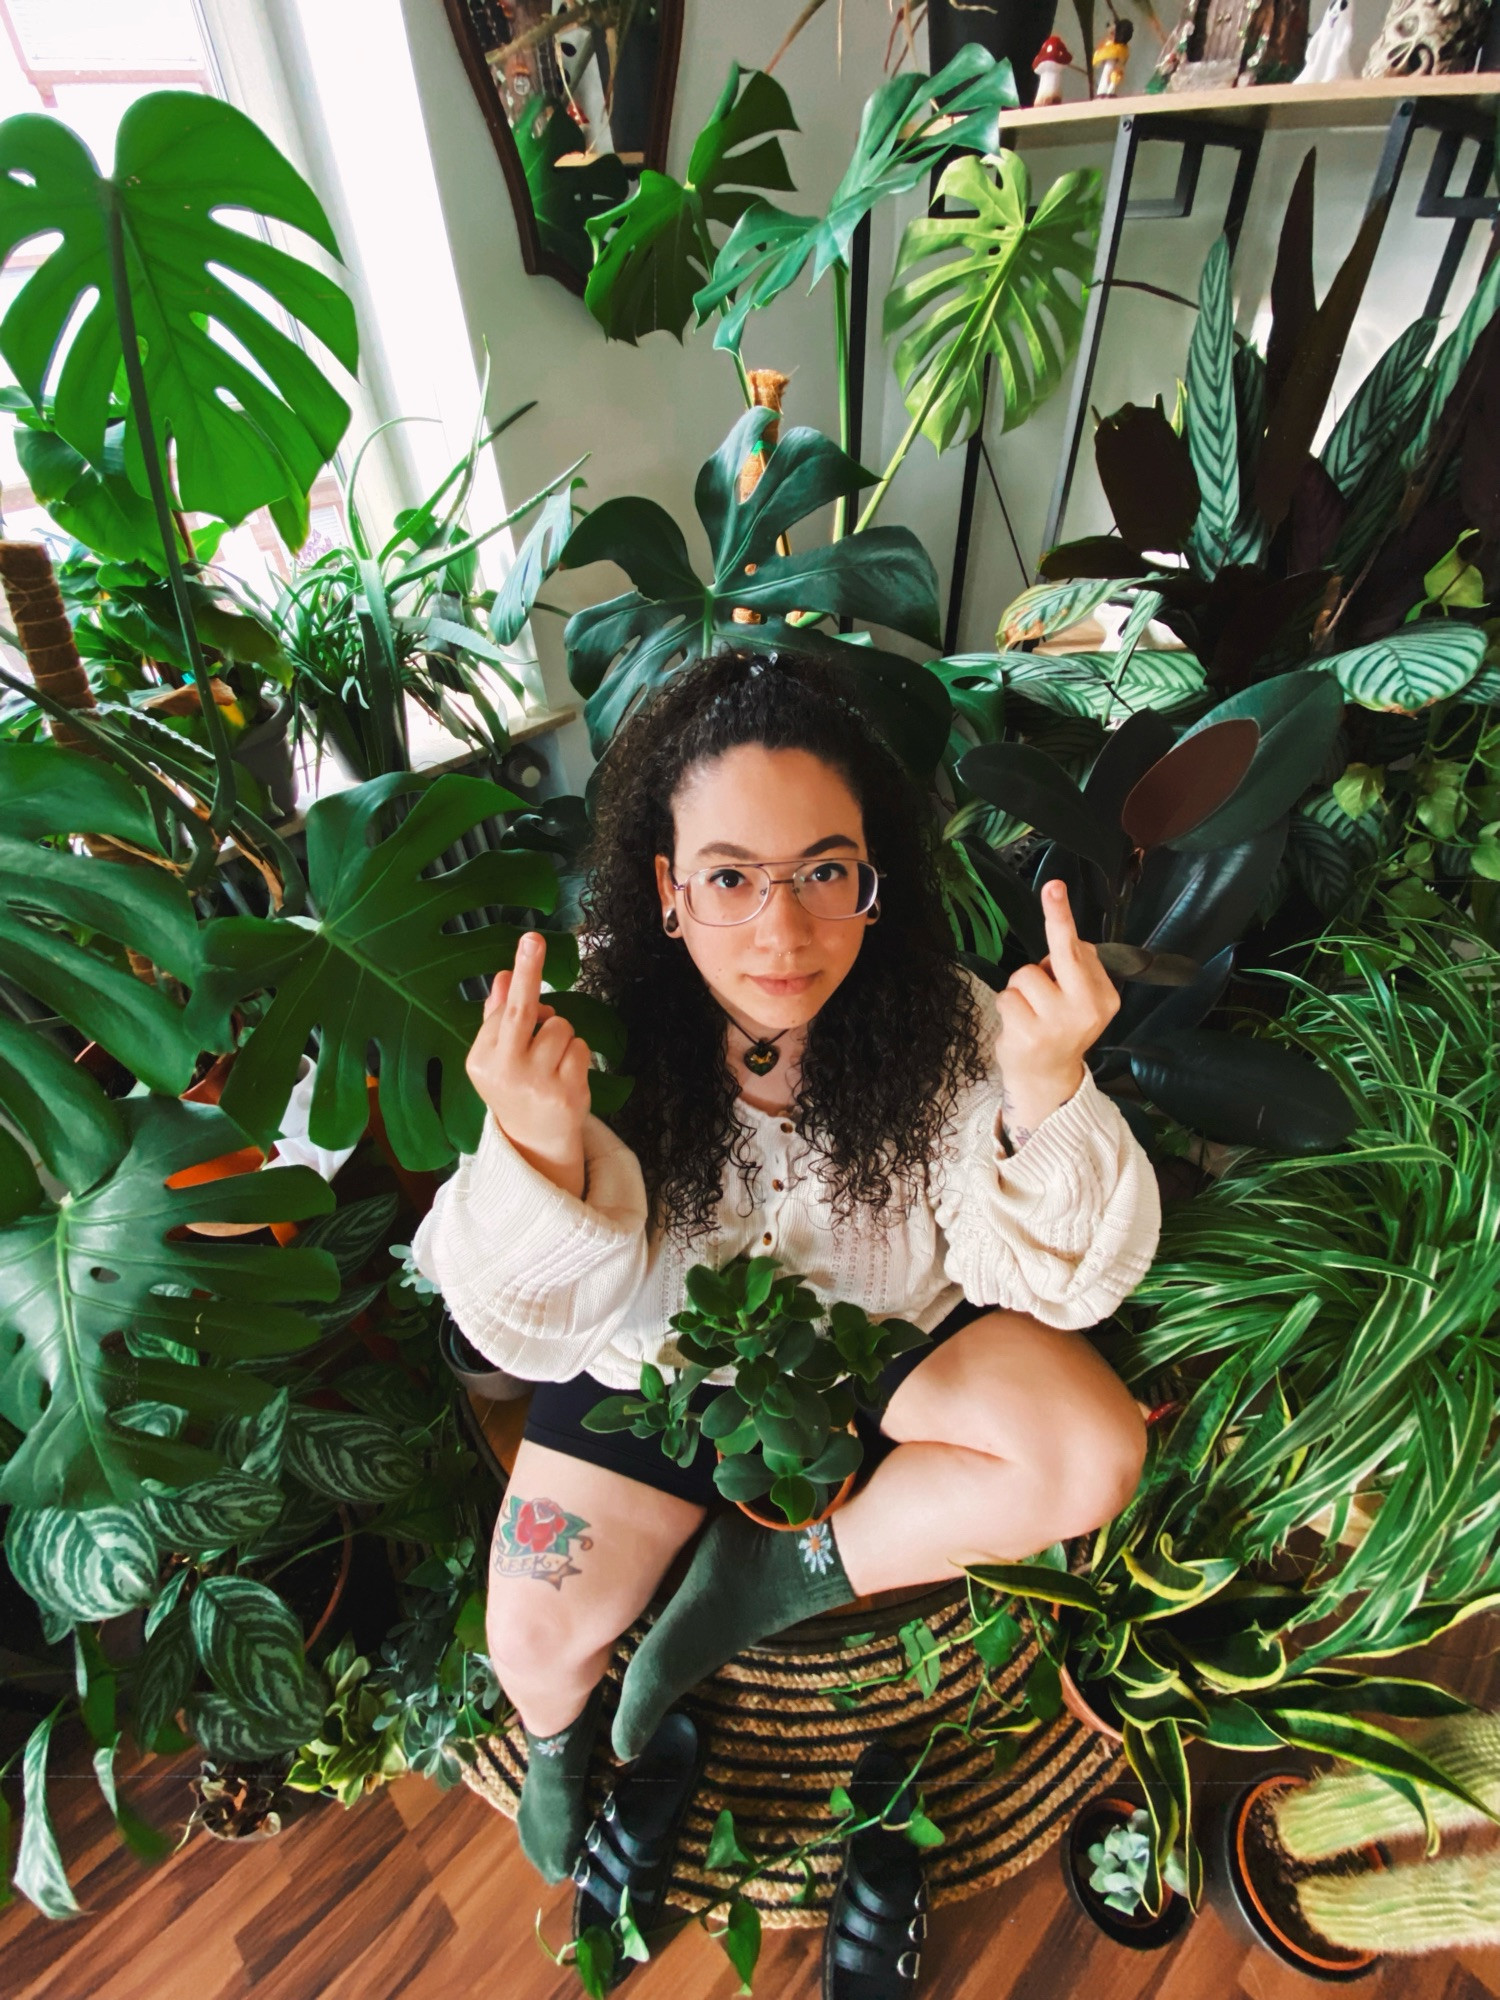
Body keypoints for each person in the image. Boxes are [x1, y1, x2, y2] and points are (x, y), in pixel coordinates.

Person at [411, 649, 1160, 1981]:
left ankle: (780, 1572)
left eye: (826, 870)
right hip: (662, 1357)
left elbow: (1045, 1278)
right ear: (665, 886)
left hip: (883, 1344)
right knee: (530, 1635)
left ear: (875, 875)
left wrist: (1043, 1090)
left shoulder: (938, 1021)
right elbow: (520, 1330)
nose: (783, 930)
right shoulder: (601, 1017)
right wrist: (532, 1141)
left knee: (1090, 1451)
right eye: (731, 877)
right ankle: (555, 1745)